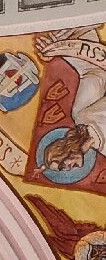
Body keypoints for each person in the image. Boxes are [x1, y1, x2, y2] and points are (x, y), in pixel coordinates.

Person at [36, 28, 106, 171]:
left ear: (62, 152)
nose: (68, 168)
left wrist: (60, 47)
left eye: (63, 165)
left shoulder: (81, 116)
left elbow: (93, 73)